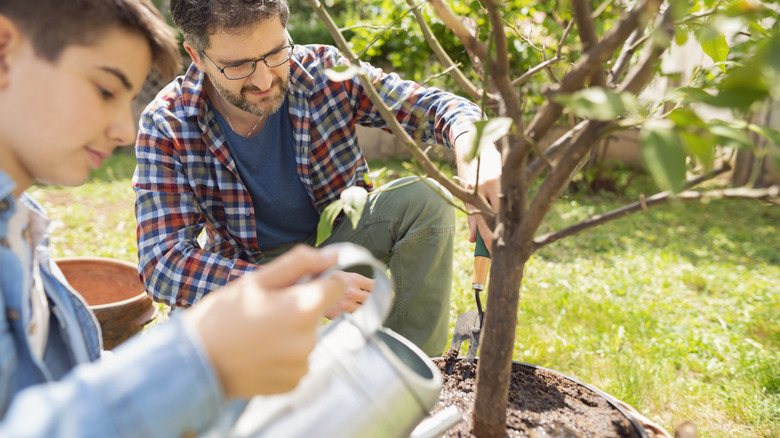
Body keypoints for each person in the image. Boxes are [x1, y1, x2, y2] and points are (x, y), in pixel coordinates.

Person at [0, 0, 346, 435]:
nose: (124, 131)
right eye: (105, 90)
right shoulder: (169, 121)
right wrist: (198, 358)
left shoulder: (23, 227)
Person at [134, 0, 502, 356]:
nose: (264, 80)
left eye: (276, 52)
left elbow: (435, 107)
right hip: (251, 268)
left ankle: (407, 369)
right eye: (238, 66)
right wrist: (300, 285)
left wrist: (476, 147)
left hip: (339, 241)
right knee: (191, 337)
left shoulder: (324, 71)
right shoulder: (168, 123)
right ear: (197, 57)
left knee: (425, 200)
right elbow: (162, 264)